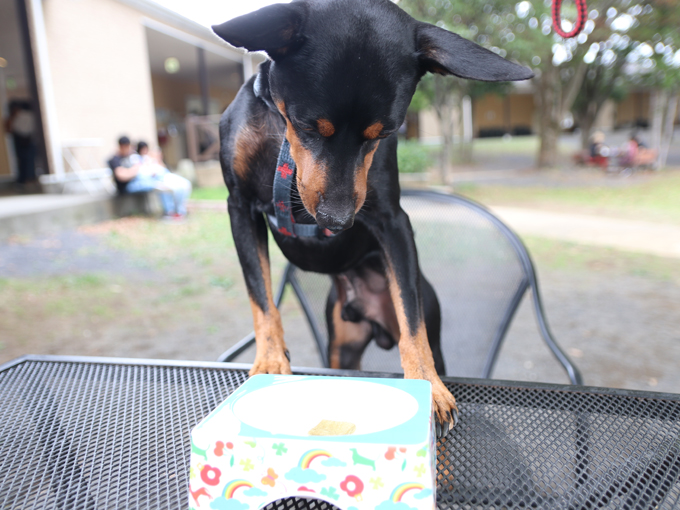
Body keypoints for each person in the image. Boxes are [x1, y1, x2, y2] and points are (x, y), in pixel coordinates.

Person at [108, 136, 191, 219]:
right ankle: (170, 212)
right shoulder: (115, 159)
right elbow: (121, 175)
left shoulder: (132, 157)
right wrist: (135, 170)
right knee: (160, 186)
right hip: (128, 186)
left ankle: (177, 210)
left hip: (146, 179)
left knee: (172, 185)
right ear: (122, 146)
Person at [4, 100, 37, 185]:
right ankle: (29, 178)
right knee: (28, 160)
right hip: (26, 140)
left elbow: (12, 129)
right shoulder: (28, 116)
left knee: (25, 161)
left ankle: (26, 179)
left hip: (23, 140)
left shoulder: (20, 116)